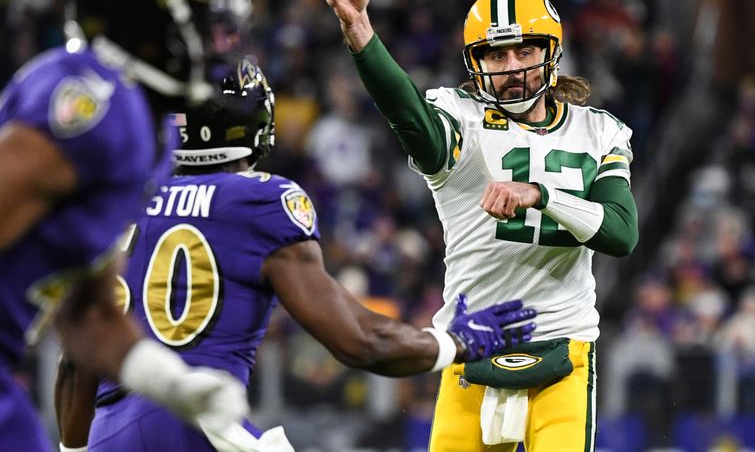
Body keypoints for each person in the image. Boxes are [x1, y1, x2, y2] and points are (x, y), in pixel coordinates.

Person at [54, 58, 538, 451]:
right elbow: (359, 343)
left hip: (104, 432)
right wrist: (454, 343)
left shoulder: (120, 202)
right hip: (197, 425)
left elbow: (74, 361)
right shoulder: (258, 201)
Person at [324, 0, 639, 451]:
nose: (511, 68)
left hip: (564, 344)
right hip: (471, 345)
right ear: (477, 63)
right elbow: (406, 111)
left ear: (550, 52)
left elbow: (621, 233)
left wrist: (541, 195)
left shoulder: (598, 130)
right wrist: (360, 29)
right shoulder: (460, 118)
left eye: (523, 51)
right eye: (496, 56)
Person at [0, 0, 254, 451]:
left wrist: (169, 382)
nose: (218, 44)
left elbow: (85, 311)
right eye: (205, 27)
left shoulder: (151, 135)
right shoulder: (98, 102)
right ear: (153, 35)